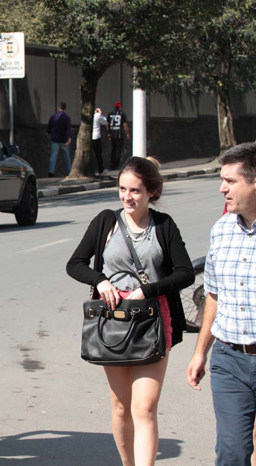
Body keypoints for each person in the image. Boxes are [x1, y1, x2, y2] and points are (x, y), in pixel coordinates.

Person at [67, 156, 194, 466]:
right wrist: (101, 281)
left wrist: (145, 290)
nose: (127, 197)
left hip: (152, 321)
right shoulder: (106, 221)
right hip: (113, 322)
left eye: (135, 190)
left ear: (151, 192)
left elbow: (185, 273)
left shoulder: (163, 225)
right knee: (122, 406)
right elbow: (75, 264)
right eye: (122, 189)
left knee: (145, 407)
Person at [186, 142, 256, 465]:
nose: (221, 188)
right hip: (229, 359)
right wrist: (200, 352)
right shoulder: (221, 230)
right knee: (232, 452)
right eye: (221, 179)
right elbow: (213, 294)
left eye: (230, 181)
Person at [47, 101, 72, 177]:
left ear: (58, 108)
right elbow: (68, 129)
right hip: (64, 139)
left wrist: (49, 134)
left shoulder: (53, 117)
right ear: (65, 108)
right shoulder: (67, 118)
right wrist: (69, 138)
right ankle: (69, 171)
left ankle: (51, 172)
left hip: (54, 139)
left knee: (53, 155)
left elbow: (49, 127)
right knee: (66, 156)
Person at [107, 101, 131, 170]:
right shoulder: (122, 114)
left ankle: (112, 164)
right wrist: (127, 133)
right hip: (119, 134)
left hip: (112, 134)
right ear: (120, 107)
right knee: (118, 150)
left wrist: (108, 133)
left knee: (113, 150)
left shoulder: (110, 114)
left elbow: (107, 124)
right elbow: (125, 124)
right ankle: (116, 164)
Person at [92, 107, 108, 176]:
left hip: (91, 137)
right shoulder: (97, 116)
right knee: (98, 154)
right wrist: (100, 114)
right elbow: (104, 121)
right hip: (96, 137)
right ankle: (100, 170)